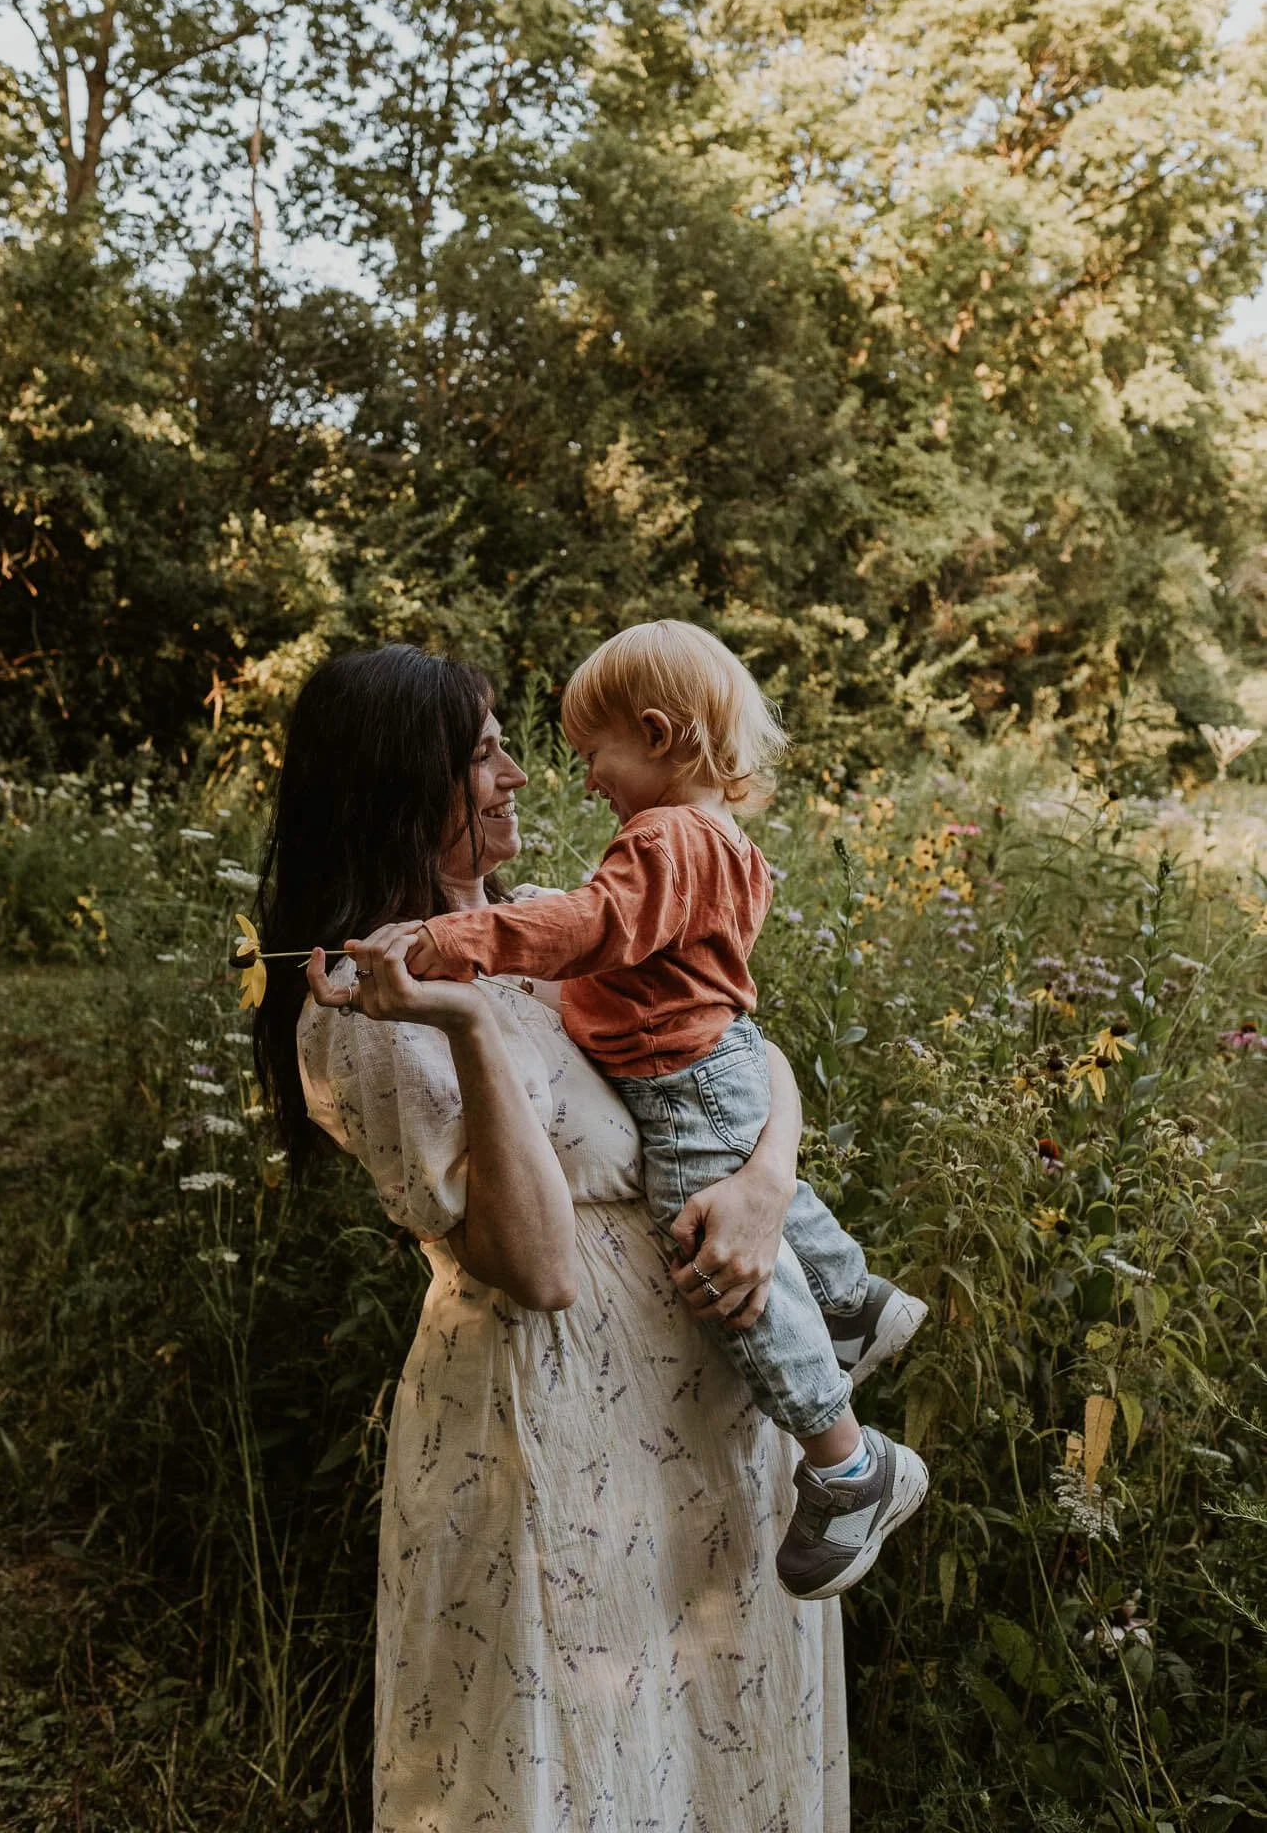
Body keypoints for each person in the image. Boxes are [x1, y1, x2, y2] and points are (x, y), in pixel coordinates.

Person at [254, 644, 852, 1832]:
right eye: (482, 754)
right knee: (580, 1766)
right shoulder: (380, 1014)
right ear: (398, 782)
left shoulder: (532, 925)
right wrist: (469, 1023)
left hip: (706, 1418)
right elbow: (532, 1264)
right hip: (551, 1434)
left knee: (714, 1745)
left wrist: (765, 1186)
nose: (519, 773)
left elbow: (744, 1050)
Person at [403, 621, 928, 1599]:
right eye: (492, 753)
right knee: (729, 1172)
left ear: (655, 731)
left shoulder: (664, 839)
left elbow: (593, 925)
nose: (580, 778)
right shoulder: (710, 836)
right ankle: (850, 1296)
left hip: (684, 1071)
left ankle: (850, 1463)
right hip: (704, 1064)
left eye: (592, 753)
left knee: (706, 1237)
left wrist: (467, 936)